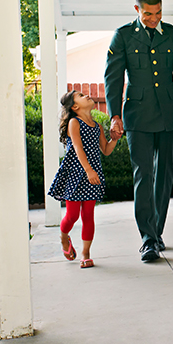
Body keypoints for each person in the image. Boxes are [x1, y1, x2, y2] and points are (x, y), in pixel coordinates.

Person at [104, 0, 173, 262]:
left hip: (169, 114)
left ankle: (156, 232)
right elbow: (113, 78)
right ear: (137, 10)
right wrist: (114, 115)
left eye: (158, 13)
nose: (154, 19)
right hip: (138, 116)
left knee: (164, 176)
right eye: (148, 14)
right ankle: (147, 239)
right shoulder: (123, 36)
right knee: (143, 176)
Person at [48, 90, 119, 268]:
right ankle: (64, 236)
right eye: (80, 95)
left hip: (92, 174)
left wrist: (115, 139)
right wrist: (88, 170)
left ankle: (85, 253)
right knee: (72, 215)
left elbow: (106, 150)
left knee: (88, 215)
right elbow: (78, 149)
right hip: (76, 173)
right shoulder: (74, 122)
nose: (86, 95)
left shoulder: (97, 126)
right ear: (75, 106)